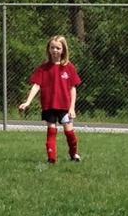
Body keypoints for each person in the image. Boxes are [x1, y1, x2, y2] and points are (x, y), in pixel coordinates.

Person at [15, 34, 82, 163]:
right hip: (49, 105)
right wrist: (27, 102)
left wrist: (72, 108)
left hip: (64, 107)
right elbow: (36, 85)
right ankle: (51, 158)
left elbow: (72, 88)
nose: (55, 50)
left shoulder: (68, 67)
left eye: (58, 48)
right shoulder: (43, 68)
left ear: (63, 50)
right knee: (51, 131)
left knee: (69, 133)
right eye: (52, 47)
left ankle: (73, 154)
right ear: (48, 49)